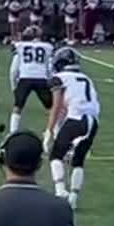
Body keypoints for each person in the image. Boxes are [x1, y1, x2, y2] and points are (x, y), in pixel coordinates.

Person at [45, 47, 100, 209]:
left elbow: (57, 107)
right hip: (93, 121)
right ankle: (73, 198)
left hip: (77, 119)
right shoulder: (86, 78)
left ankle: (60, 191)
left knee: (56, 155)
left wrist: (49, 130)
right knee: (78, 161)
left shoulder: (59, 78)